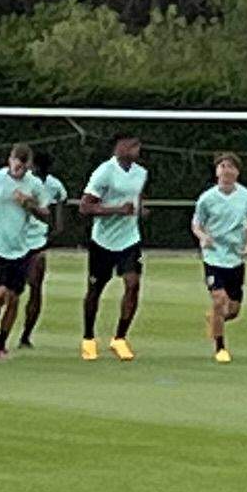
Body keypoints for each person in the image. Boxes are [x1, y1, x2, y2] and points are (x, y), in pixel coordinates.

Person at [0, 142, 55, 359]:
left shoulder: (34, 185)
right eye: (17, 163)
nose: (20, 169)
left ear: (29, 166)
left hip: (20, 248)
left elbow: (45, 213)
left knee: (14, 298)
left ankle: (0, 343)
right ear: (10, 160)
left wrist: (29, 204)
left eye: (24, 166)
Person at [78, 130, 148, 361]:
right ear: (119, 148)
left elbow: (136, 198)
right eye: (132, 145)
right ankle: (88, 338)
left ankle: (119, 338)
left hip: (129, 239)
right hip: (103, 241)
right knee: (95, 290)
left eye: (138, 146)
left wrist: (140, 210)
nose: (136, 150)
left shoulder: (141, 173)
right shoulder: (104, 172)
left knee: (133, 283)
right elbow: (85, 207)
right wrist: (117, 210)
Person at [192, 151, 247, 362]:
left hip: (235, 259)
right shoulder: (207, 198)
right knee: (219, 300)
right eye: (222, 166)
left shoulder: (246, 196)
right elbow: (196, 224)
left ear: (237, 172)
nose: (226, 170)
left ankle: (215, 319)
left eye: (230, 166)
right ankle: (220, 348)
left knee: (232, 310)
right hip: (213, 258)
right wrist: (203, 237)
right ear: (216, 171)